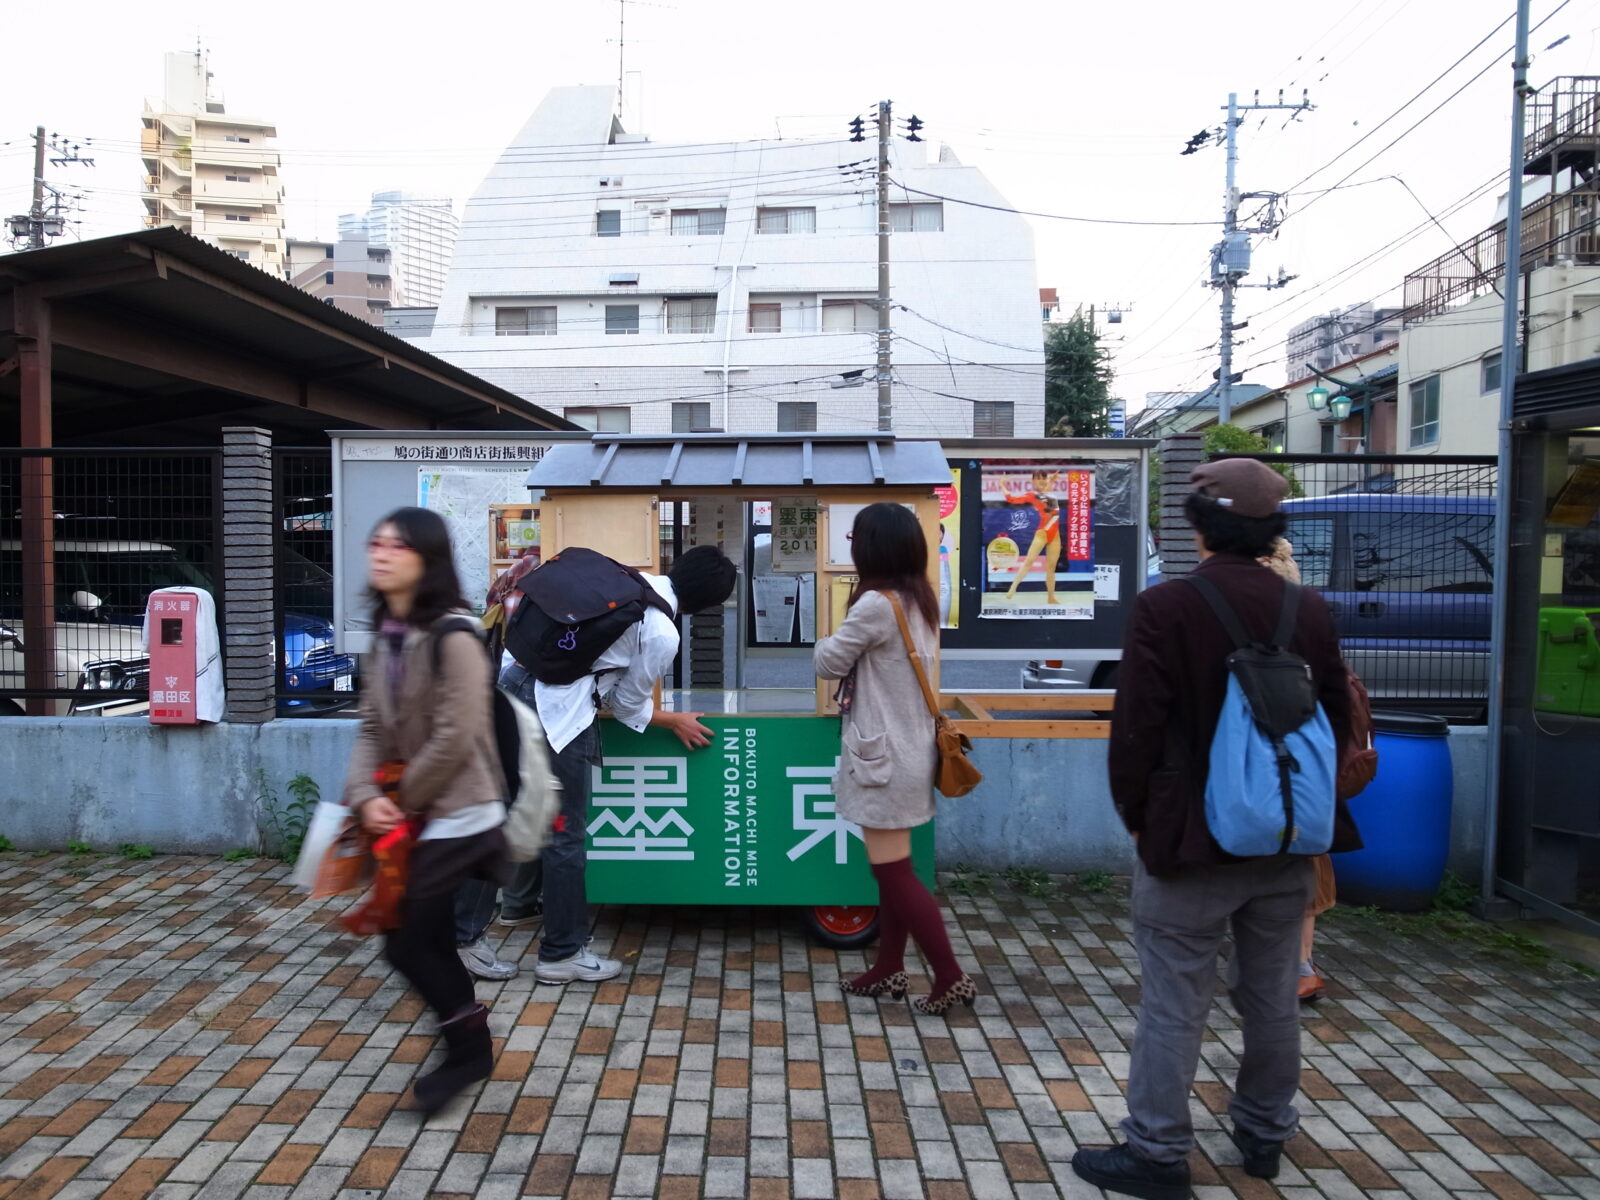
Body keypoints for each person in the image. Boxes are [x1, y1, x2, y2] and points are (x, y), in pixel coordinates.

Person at [1072, 459, 1359, 1199]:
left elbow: (1136, 726)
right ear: (1274, 529)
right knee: (1270, 995)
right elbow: (1333, 718)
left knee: (1175, 1001)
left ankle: (1158, 1152)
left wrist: (1138, 819)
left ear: (1198, 525)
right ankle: (1264, 1135)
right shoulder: (1310, 610)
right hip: (1286, 835)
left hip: (1191, 839)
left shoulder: (1168, 607)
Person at [498, 544, 738, 984]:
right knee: (565, 833)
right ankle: (562, 953)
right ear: (707, 606)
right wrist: (673, 721)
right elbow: (627, 706)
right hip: (555, 710)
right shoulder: (663, 631)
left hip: (510, 684)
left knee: (517, 806)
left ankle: (507, 909)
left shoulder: (631, 580)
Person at [342, 507, 508, 1116]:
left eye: (398, 546)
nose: (381, 554)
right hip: (414, 814)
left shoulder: (455, 636)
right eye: (376, 543)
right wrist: (366, 796)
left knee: (409, 941)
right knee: (423, 938)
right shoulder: (387, 635)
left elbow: (457, 733)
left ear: (427, 560)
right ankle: (470, 1044)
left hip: (462, 815)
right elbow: (369, 729)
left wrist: (396, 800)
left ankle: (469, 1052)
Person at [815, 502, 976, 1015]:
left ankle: (950, 976)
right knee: (894, 871)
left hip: (884, 760)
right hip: (910, 752)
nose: (850, 547)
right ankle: (889, 969)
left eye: (855, 538)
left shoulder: (875, 606)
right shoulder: (917, 599)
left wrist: (825, 636)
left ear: (873, 547)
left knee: (895, 876)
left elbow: (828, 661)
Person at [1003, 470, 1063, 605]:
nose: (1041, 482)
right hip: (1042, 533)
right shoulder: (1032, 496)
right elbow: (1011, 499)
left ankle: (1051, 598)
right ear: (1033, 481)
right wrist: (1002, 485)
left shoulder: (1049, 489)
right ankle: (1013, 588)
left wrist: (1052, 479)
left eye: (1043, 479)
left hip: (1055, 536)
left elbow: (1048, 485)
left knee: (1051, 568)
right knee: (1029, 561)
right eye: (1038, 479)